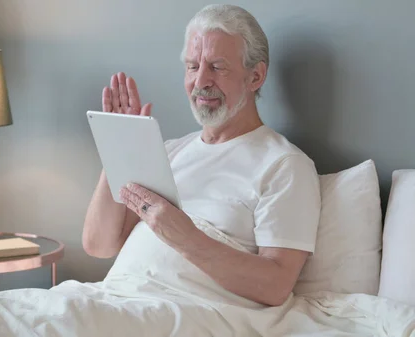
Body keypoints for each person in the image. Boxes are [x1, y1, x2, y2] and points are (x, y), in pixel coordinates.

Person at [83, 4, 321, 307]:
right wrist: (118, 147)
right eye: (193, 66)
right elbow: (99, 245)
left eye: (217, 67)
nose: (201, 81)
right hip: (116, 297)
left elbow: (275, 286)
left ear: (255, 76)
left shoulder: (285, 165)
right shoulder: (169, 152)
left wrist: (184, 237)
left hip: (184, 311)